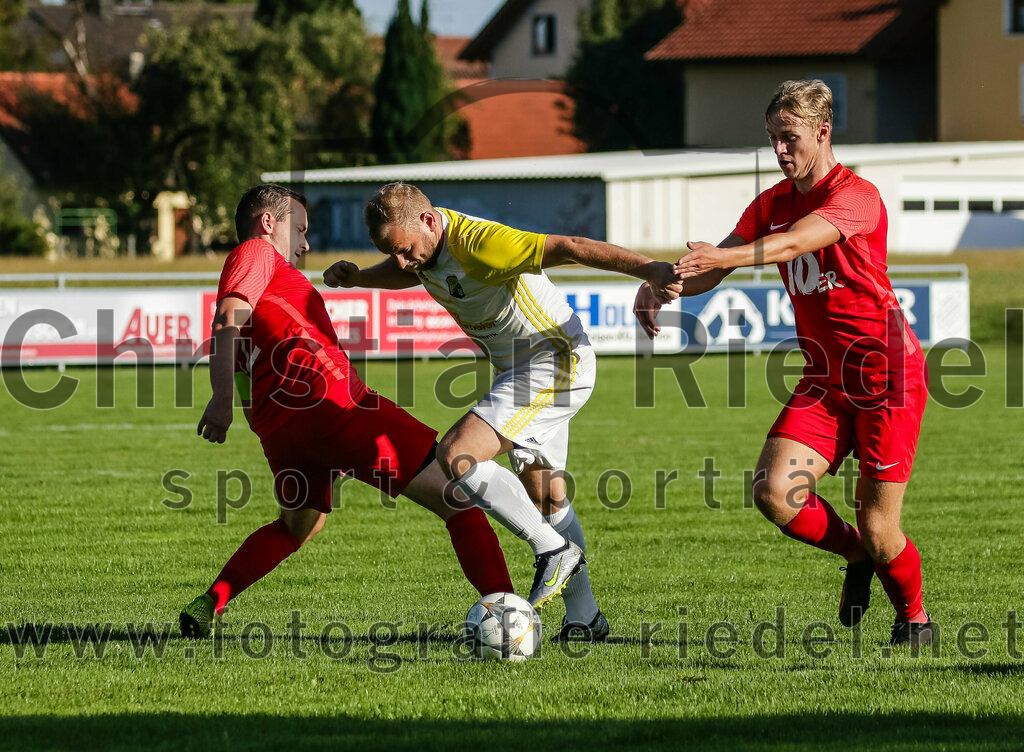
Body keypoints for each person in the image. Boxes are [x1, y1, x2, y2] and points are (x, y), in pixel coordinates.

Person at [179, 183, 556, 638]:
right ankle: (509, 621)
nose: (305, 243)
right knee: (459, 498)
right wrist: (221, 399)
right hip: (338, 407)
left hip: (285, 431)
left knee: (297, 526)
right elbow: (227, 320)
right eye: (299, 229)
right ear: (267, 223)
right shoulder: (257, 254)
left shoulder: (269, 278)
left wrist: (286, 429)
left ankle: (210, 602)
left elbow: (247, 361)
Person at [634, 80, 934, 647]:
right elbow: (712, 270)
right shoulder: (770, 201)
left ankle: (915, 619)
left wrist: (724, 255)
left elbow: (795, 244)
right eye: (772, 139)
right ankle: (857, 556)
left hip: (885, 377)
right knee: (776, 493)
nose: (779, 151)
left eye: (789, 138)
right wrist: (664, 281)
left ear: (823, 133)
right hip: (824, 377)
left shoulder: (857, 194)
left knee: (880, 525)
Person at [324, 183, 682, 641]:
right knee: (546, 497)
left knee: (457, 454)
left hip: (554, 361)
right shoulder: (423, 251)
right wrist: (359, 279)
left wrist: (649, 269)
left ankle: (552, 551)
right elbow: (410, 273)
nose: (402, 262)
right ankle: (585, 618)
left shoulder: (481, 243)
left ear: (429, 222)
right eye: (392, 253)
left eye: (405, 250)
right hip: (520, 369)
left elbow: (569, 247)